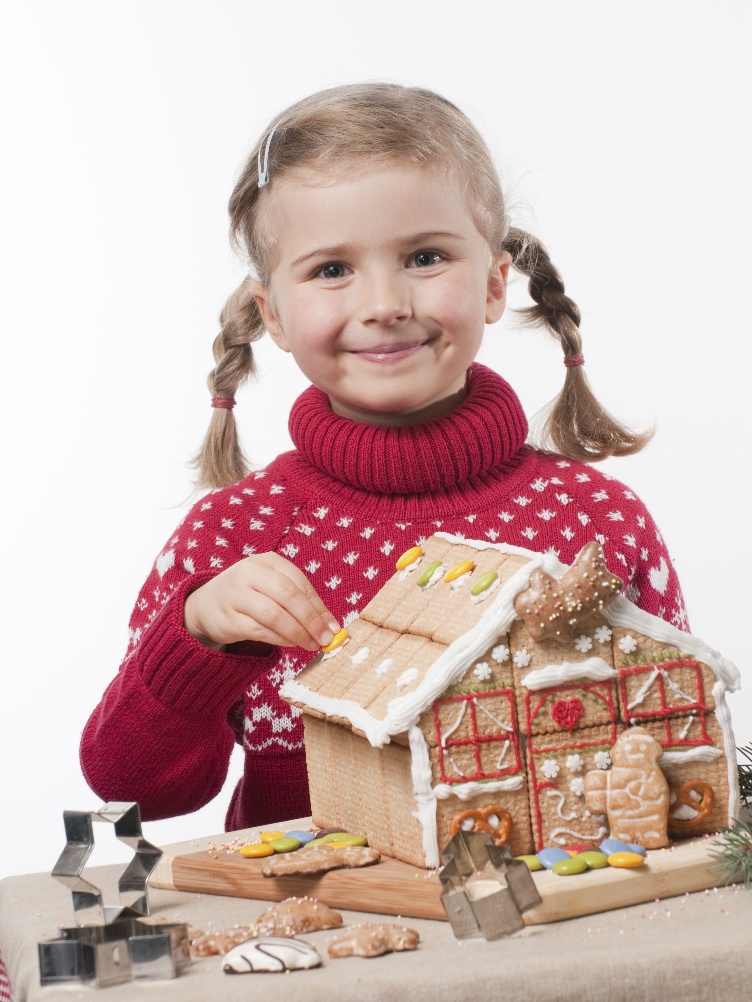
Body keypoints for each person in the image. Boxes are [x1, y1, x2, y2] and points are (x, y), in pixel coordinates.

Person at [80, 83, 687, 832]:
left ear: (496, 284)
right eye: (331, 270)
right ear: (271, 313)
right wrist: (199, 634)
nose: (383, 303)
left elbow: (673, 749)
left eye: (424, 257)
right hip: (324, 936)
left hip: (550, 929)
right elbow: (131, 788)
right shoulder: (231, 541)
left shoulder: (594, 521)